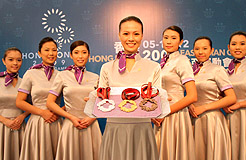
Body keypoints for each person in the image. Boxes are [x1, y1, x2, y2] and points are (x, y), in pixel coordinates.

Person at [98, 16, 161, 160]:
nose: (131, 38)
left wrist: (162, 101)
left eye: (136, 33)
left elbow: (155, 102)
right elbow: (102, 100)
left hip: (142, 129)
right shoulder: (107, 68)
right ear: (119, 35)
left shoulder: (154, 67)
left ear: (142, 36)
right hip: (114, 128)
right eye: (126, 34)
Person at [46, 40, 102, 160]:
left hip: (91, 125)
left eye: (84, 52)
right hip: (70, 125)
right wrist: (71, 117)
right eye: (76, 52)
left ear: (89, 55)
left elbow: (104, 103)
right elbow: (50, 103)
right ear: (71, 55)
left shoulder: (95, 77)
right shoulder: (62, 75)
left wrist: (93, 117)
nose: (80, 56)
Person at [153, 25, 197, 160]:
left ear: (181, 42)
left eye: (173, 38)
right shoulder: (163, 63)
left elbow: (192, 95)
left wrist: (165, 112)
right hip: (161, 116)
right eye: (166, 38)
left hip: (175, 115)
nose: (169, 41)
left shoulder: (182, 60)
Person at [189, 36, 236, 160]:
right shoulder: (190, 71)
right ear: (193, 51)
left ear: (211, 50)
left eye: (205, 48)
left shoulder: (217, 70)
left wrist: (204, 108)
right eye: (197, 49)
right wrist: (189, 105)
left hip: (213, 120)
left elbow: (231, 98)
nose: (200, 52)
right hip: (194, 120)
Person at [16, 37, 62, 160]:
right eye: (47, 50)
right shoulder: (31, 73)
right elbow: (19, 102)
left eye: (54, 50)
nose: (51, 53)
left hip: (55, 122)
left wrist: (59, 113)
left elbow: (70, 100)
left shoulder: (61, 75)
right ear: (39, 53)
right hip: (37, 123)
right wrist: (42, 112)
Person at [223, 31, 246, 160]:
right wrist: (224, 105)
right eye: (234, 44)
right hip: (231, 117)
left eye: (242, 44)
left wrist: (240, 104)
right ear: (228, 47)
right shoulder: (226, 71)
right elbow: (221, 94)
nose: (237, 47)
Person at [0, 47, 29, 160]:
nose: (15, 63)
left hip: (19, 127)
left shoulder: (25, 82)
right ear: (4, 61)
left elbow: (32, 105)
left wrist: (22, 116)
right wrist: (5, 120)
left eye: (19, 60)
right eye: (11, 60)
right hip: (1, 127)